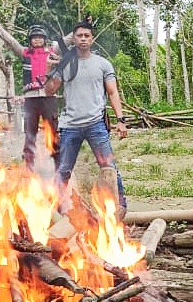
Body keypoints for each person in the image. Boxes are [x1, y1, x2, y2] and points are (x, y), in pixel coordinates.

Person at [43, 19, 129, 210]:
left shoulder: (103, 64)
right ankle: (53, 212)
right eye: (79, 36)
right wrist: (48, 69)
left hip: (96, 124)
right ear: (73, 39)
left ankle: (120, 207)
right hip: (70, 126)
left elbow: (113, 93)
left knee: (109, 168)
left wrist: (120, 120)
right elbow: (49, 90)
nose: (83, 39)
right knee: (63, 170)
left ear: (92, 39)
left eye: (86, 36)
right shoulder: (65, 64)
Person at [0, 9, 61, 171]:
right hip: (31, 99)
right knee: (30, 133)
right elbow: (10, 41)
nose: (37, 40)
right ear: (30, 40)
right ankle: (29, 166)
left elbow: (69, 40)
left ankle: (58, 165)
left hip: (48, 97)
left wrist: (85, 25)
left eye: (40, 37)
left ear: (45, 39)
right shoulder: (24, 53)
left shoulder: (52, 52)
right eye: (34, 38)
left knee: (53, 132)